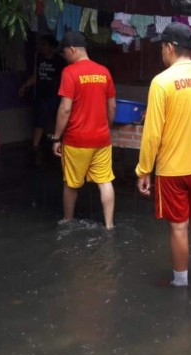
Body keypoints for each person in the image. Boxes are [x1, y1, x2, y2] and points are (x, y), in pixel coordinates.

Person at [135, 23, 191, 287]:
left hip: (172, 171)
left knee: (178, 226)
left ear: (170, 48)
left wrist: (143, 170)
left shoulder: (161, 83)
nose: (161, 52)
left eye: (162, 47)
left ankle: (180, 283)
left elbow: (152, 134)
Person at [51, 32, 117, 230]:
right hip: (102, 139)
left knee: (71, 184)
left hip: (76, 140)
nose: (64, 58)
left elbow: (65, 108)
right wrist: (107, 127)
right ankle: (109, 224)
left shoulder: (70, 72)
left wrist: (56, 138)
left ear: (72, 49)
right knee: (105, 182)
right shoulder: (104, 71)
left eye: (64, 53)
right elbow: (112, 106)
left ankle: (68, 220)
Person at [19, 35, 66, 162]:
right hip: (41, 95)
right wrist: (24, 86)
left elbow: (65, 79)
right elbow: (36, 76)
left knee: (58, 121)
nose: (41, 47)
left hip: (55, 96)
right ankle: (35, 148)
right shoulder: (39, 58)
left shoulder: (60, 61)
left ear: (52, 47)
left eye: (44, 45)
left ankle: (62, 146)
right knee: (39, 122)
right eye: (41, 45)